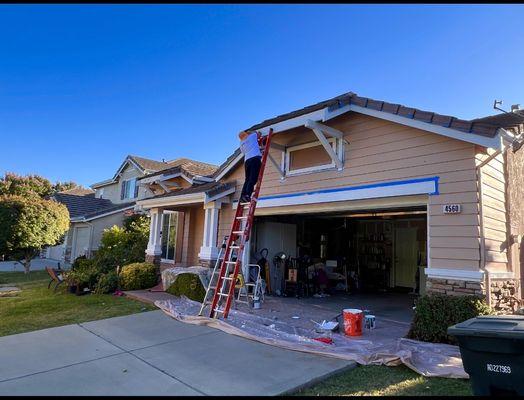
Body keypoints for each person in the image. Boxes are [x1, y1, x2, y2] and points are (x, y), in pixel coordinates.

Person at [238, 130, 262, 203]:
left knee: (247, 179)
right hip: (255, 159)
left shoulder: (241, 143)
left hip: (247, 161)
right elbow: (259, 134)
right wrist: (251, 132)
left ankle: (243, 196)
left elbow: (243, 152)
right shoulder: (252, 136)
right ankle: (247, 195)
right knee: (253, 179)